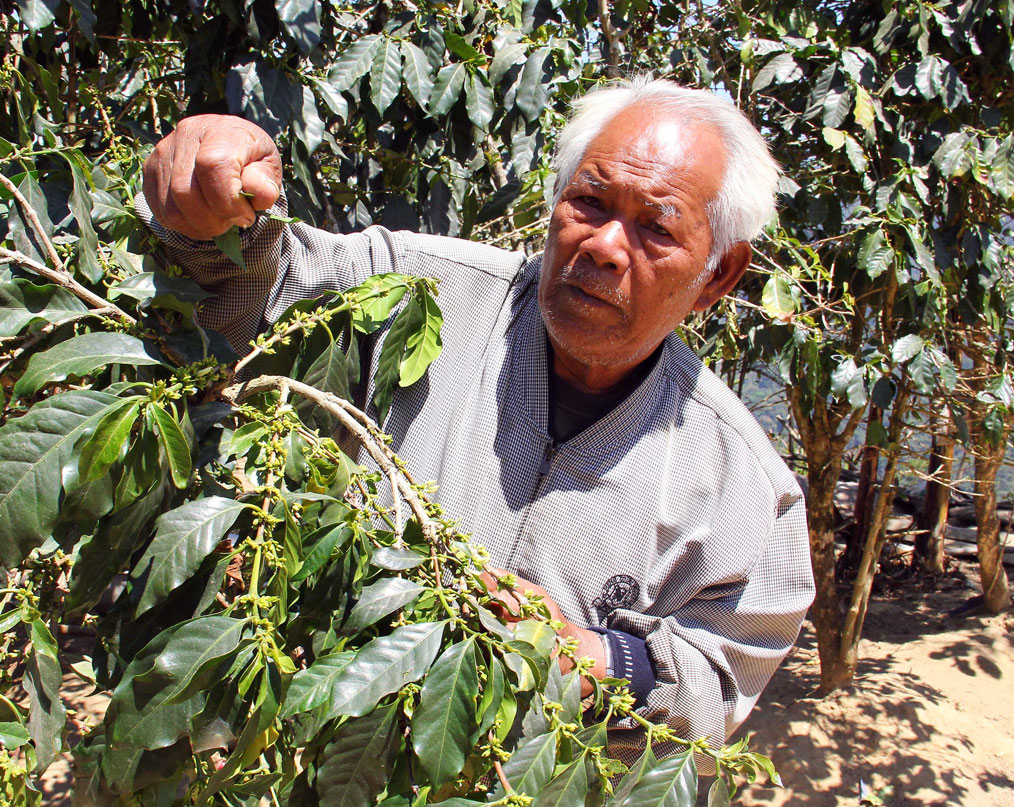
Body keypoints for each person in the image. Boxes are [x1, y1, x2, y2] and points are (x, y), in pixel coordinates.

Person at [138, 75, 815, 766]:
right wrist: (210, 214)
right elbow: (268, 280)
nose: (606, 245)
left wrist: (604, 659)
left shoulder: (751, 498)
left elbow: (715, 690)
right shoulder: (413, 289)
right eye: (589, 200)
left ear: (719, 276)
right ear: (555, 200)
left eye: (657, 227)